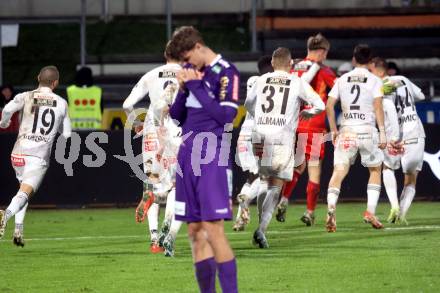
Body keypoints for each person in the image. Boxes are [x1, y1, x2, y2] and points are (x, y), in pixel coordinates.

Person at [169, 26, 239, 293]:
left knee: (213, 229)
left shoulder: (226, 72)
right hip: (187, 153)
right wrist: (184, 89)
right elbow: (176, 116)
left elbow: (226, 116)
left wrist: (196, 85)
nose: (186, 64)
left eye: (188, 57)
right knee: (194, 231)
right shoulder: (192, 75)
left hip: (212, 154)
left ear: (199, 46)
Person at [245, 47, 324, 248]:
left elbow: (248, 104)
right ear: (291, 65)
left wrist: (259, 117)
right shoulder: (297, 82)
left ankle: (259, 224)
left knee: (264, 180)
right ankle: (261, 230)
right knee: (275, 185)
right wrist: (309, 113)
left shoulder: (261, 80)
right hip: (281, 137)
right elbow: (320, 105)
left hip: (259, 136)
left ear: (272, 63)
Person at [123, 41, 183, 256]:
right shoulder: (189, 74)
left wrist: (136, 123)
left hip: (150, 130)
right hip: (176, 131)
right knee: (176, 186)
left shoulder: (150, 75)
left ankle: (154, 239)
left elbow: (126, 104)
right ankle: (168, 234)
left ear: (165, 54)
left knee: (152, 182)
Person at [0, 66, 71, 245]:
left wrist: (4, 122)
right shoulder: (61, 102)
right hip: (37, 157)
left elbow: (7, 109)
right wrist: (59, 128)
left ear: (38, 77)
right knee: (25, 192)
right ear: (56, 83)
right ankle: (5, 215)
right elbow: (67, 134)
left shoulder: (25, 96)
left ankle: (18, 230)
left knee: (22, 191)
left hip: (17, 154)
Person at [275, 33, 337, 226]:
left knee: (298, 166)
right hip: (315, 123)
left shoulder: (293, 67)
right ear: (320, 51)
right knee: (314, 168)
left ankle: (284, 199)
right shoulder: (323, 70)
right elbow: (338, 90)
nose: (325, 57)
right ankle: (309, 212)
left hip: (296, 123)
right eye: (325, 52)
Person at [325, 44, 387, 232]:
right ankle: (370, 211)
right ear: (370, 61)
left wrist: (334, 130)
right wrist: (383, 132)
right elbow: (378, 108)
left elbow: (329, 106)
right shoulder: (375, 80)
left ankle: (331, 208)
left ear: (353, 59)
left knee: (339, 171)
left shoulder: (342, 79)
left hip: (347, 130)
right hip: (367, 130)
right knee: (375, 171)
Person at [369, 57, 426, 224]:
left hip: (396, 133)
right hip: (415, 130)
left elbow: (390, 110)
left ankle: (394, 205)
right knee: (411, 178)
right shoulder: (403, 79)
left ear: (376, 69)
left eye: (371, 71)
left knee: (387, 167)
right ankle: (401, 214)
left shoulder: (380, 88)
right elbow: (421, 95)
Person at [232, 55, 272, 232]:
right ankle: (246, 198)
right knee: (264, 178)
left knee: (252, 176)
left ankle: (240, 219)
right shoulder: (274, 84)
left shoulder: (252, 80)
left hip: (243, 133)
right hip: (261, 133)